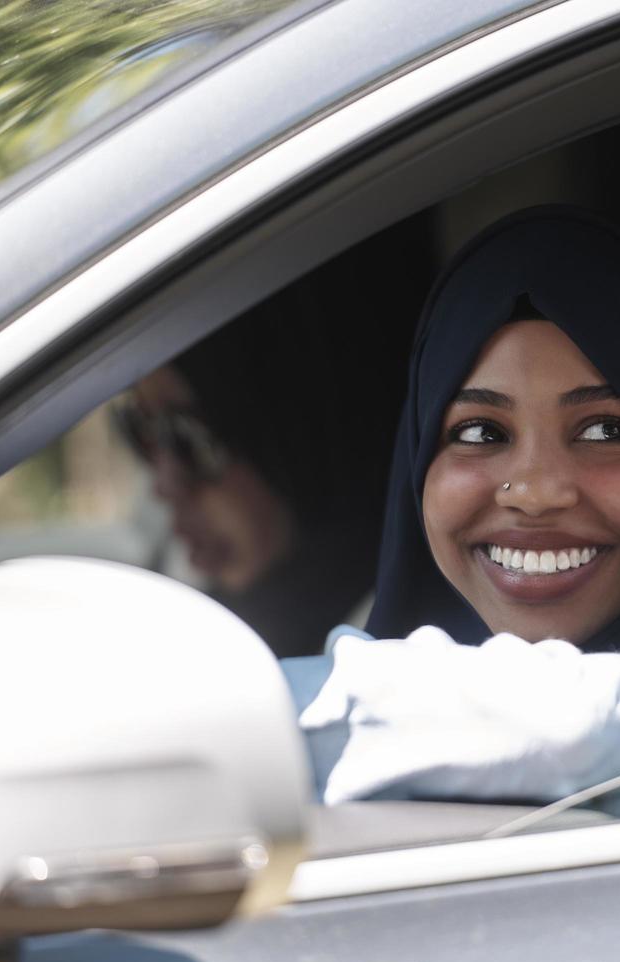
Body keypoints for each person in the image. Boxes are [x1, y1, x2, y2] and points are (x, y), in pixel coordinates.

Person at [281, 206, 620, 805]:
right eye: (479, 432)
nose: (534, 491)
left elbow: (576, 732)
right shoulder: (398, 646)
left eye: (606, 430)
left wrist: (235, 710)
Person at [117, 221, 428, 658]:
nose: (163, 485)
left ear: (309, 431)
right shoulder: (218, 620)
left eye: (190, 438)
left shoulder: (402, 654)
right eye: (140, 431)